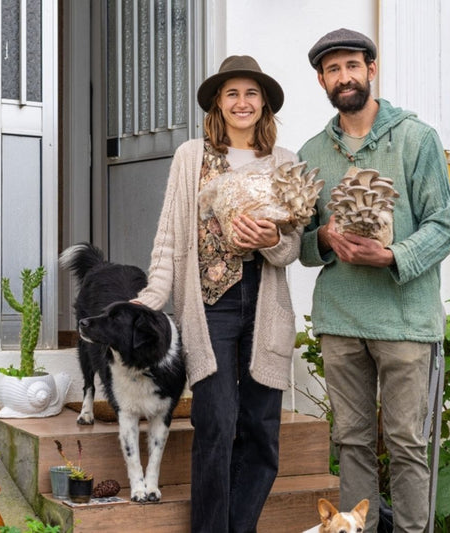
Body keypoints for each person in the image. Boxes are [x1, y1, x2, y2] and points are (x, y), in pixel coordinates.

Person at [133, 55, 300, 533]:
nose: (242, 102)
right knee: (217, 424)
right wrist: (153, 295)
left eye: (251, 93)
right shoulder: (192, 156)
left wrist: (273, 242)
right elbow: (169, 236)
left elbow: (292, 247)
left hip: (265, 303)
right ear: (218, 104)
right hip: (210, 306)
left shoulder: (285, 162)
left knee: (262, 430)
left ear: (264, 101)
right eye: (232, 94)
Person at [298, 28, 450, 532]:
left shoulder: (416, 137)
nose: (343, 76)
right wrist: (323, 236)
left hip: (406, 321)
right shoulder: (311, 152)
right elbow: (300, 244)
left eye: (351, 65)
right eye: (332, 69)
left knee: (409, 445)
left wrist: (391, 254)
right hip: (341, 318)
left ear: (371, 69)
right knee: (351, 441)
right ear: (322, 81)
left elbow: (443, 227)